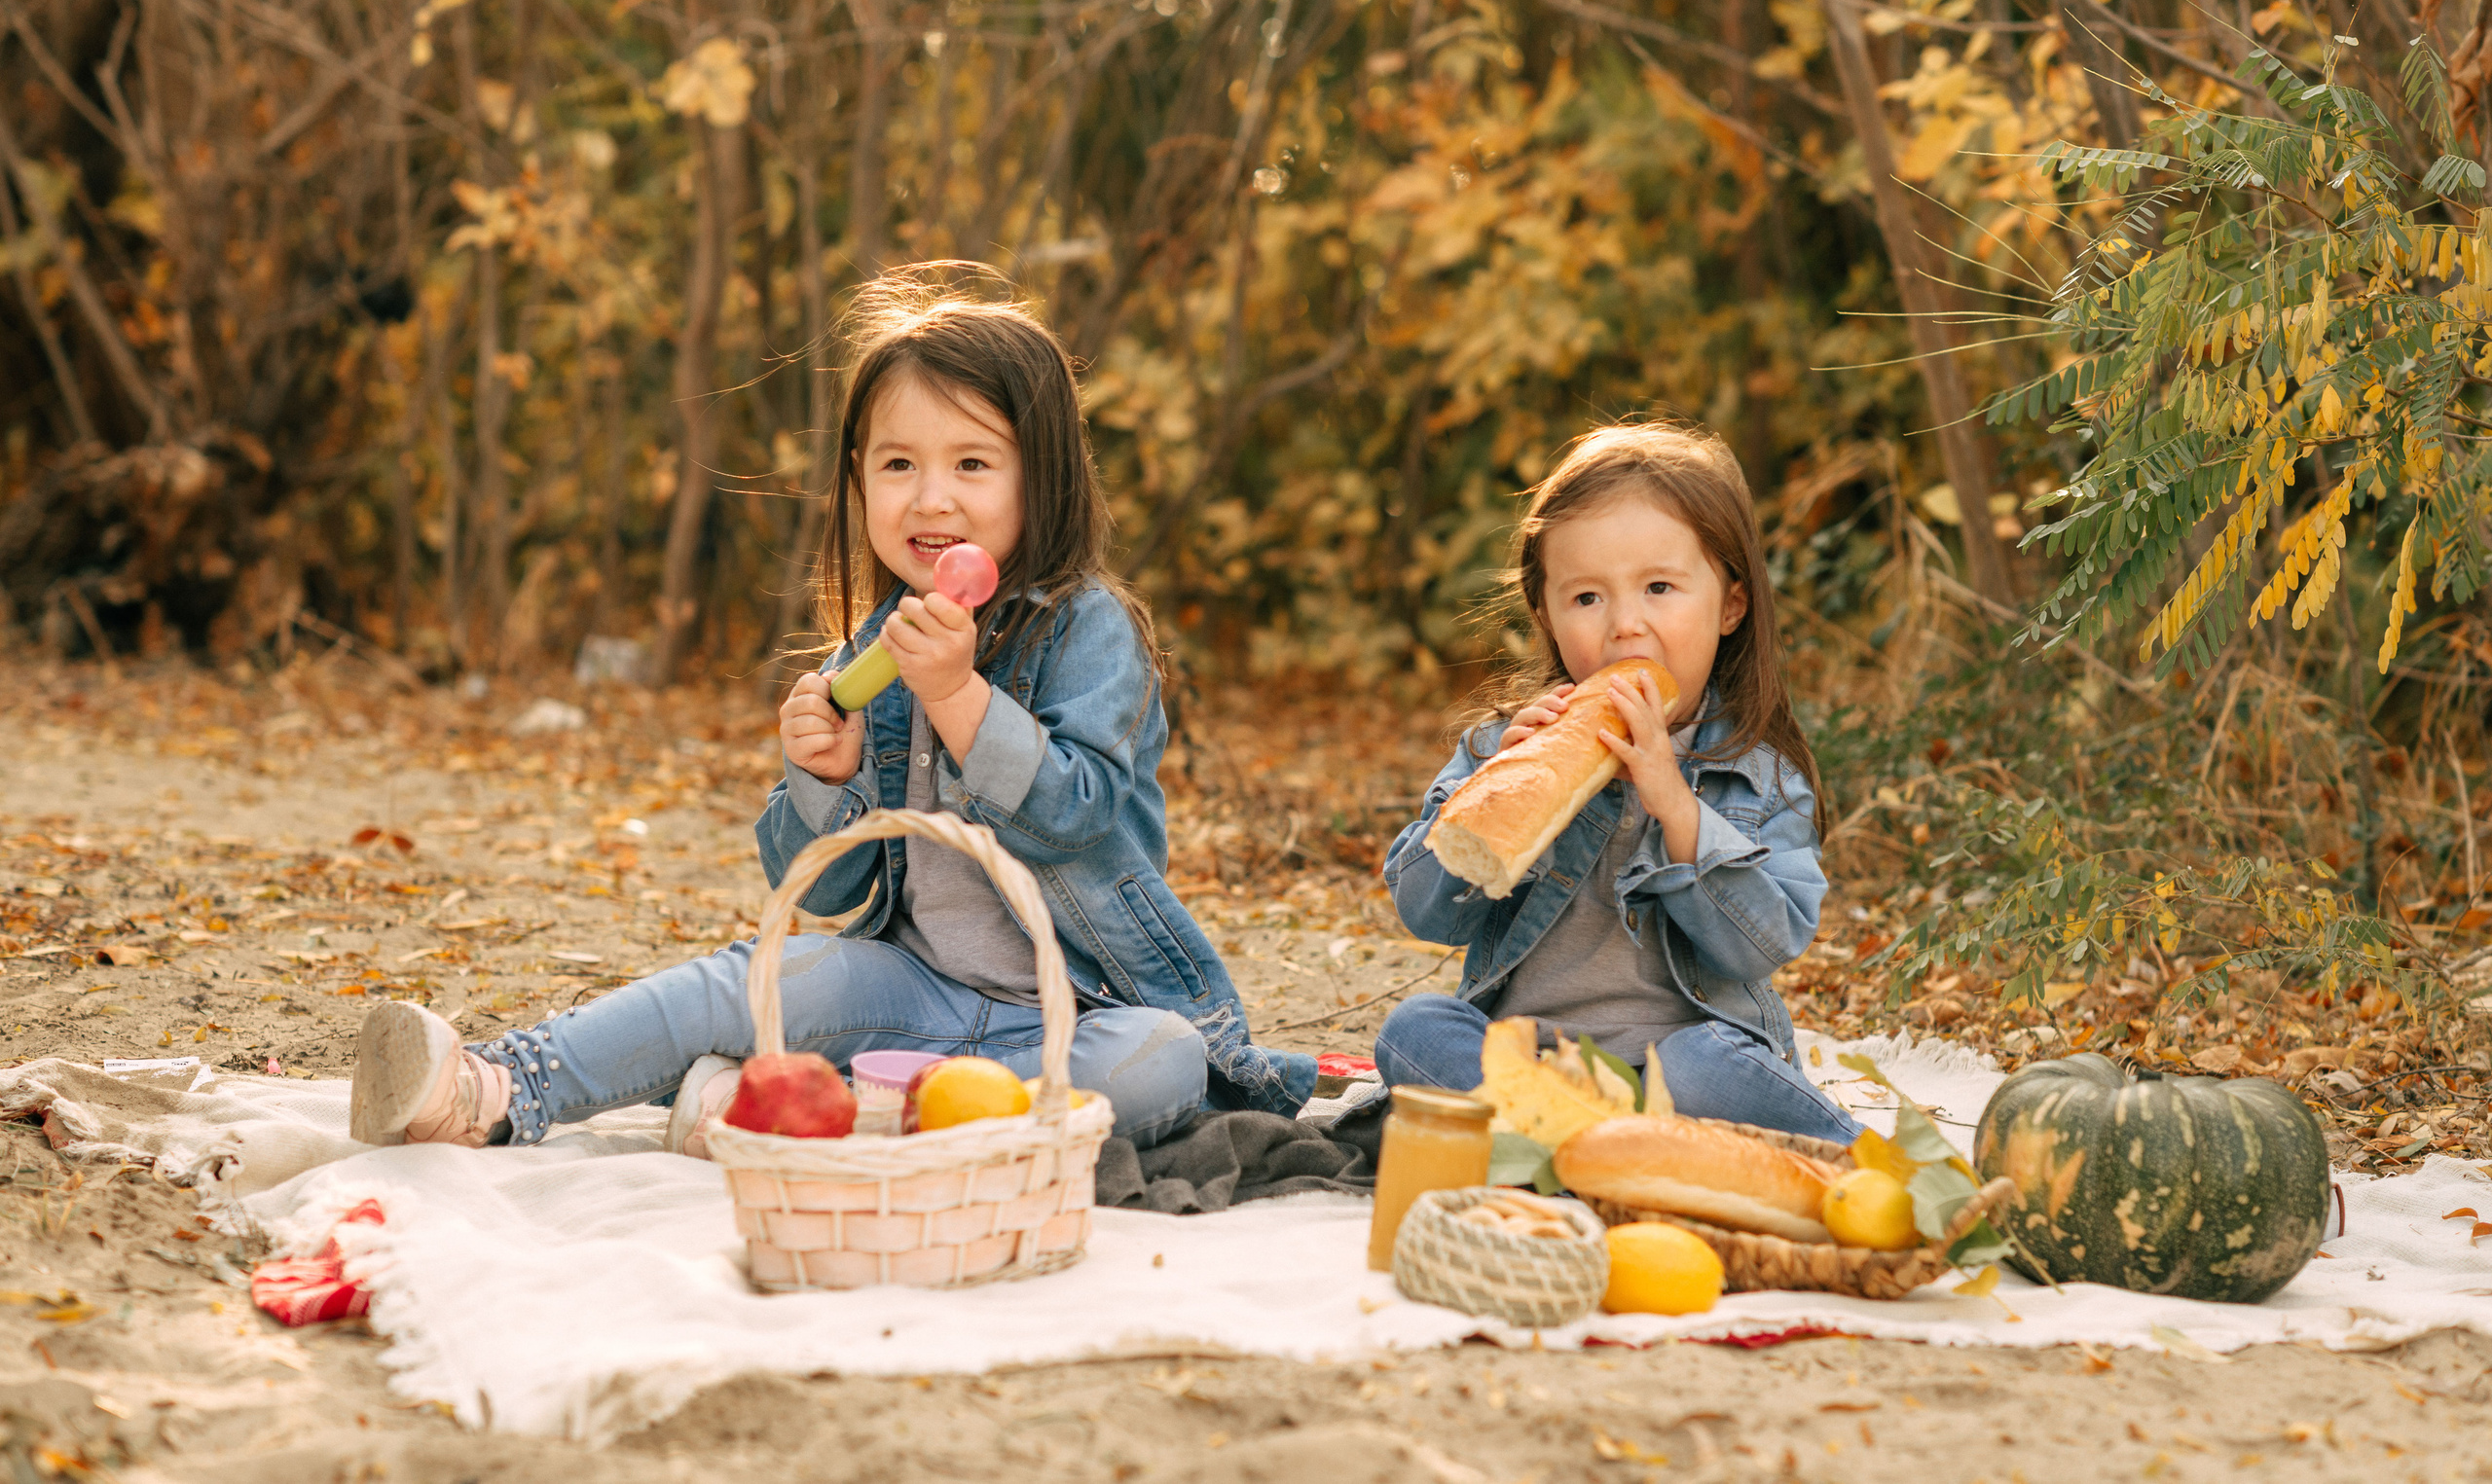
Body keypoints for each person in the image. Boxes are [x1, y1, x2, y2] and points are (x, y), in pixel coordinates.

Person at [348, 266, 1313, 1155]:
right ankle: (498, 1089)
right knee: (752, 977)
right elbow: (813, 893)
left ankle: (837, 1109)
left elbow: (1080, 812)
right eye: (897, 465)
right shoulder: (872, 651)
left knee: (1162, 1064)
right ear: (857, 477)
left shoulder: (1087, 631)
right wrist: (821, 782)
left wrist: (961, 696)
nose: (930, 498)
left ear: (1042, 477)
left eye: (973, 464)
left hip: (1087, 1004)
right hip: (916, 989)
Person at [1374, 421, 1858, 1142]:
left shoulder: (1760, 772)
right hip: (1534, 1060)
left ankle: (1851, 1156)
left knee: (1707, 1062)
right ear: (1546, 615)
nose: (1625, 625)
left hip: (1682, 1063)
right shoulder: (1505, 747)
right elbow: (1425, 913)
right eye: (1587, 598)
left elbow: (1765, 944)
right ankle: (1609, 1148)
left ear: (1730, 604)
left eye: (1659, 587)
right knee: (1413, 1029)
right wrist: (1497, 791)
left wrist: (1677, 808)